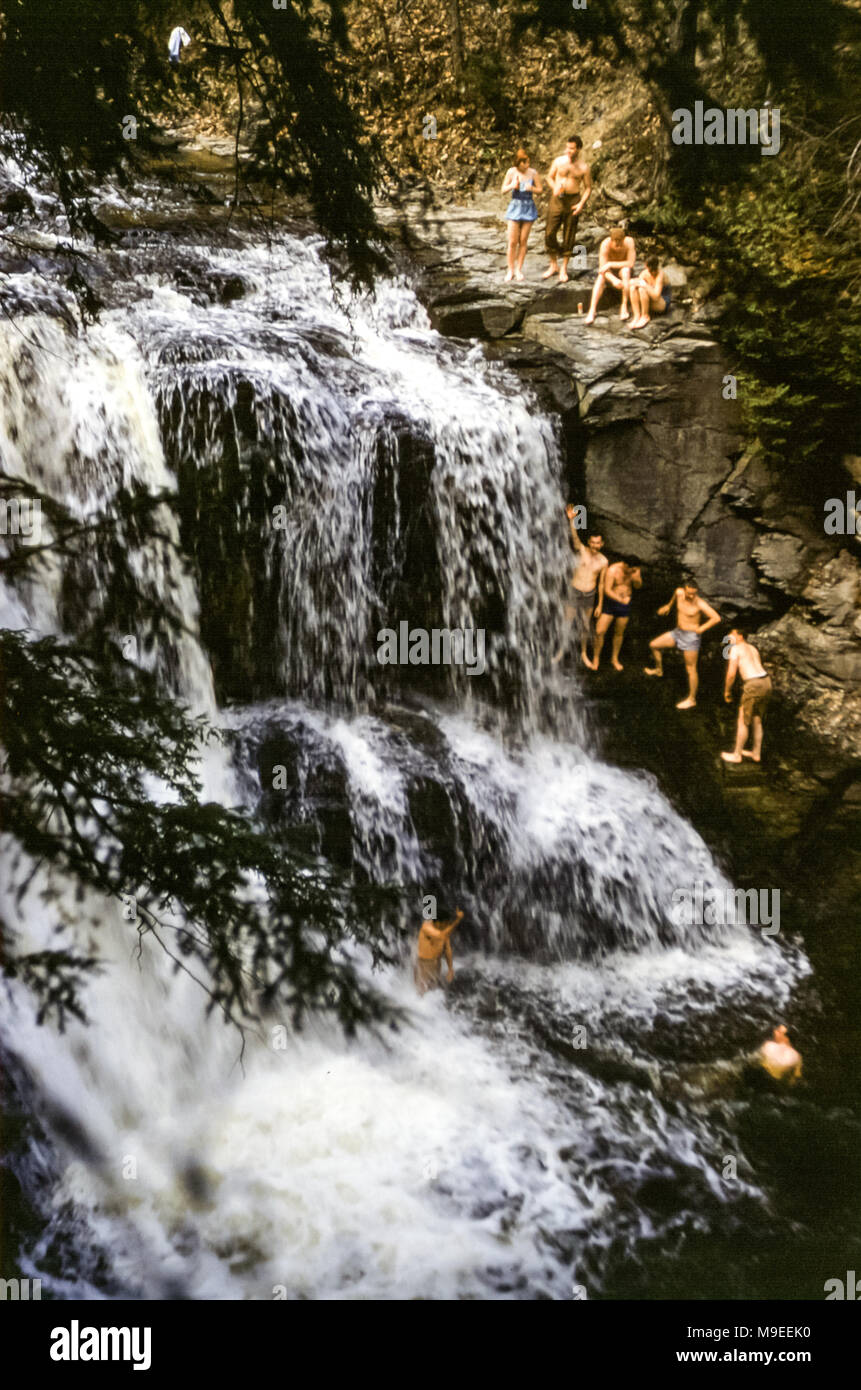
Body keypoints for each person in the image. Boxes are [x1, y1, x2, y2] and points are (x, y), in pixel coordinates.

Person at [644, 578, 721, 709]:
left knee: (691, 668)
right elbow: (675, 595)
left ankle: (692, 699)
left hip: (691, 637)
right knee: (654, 645)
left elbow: (716, 618)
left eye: (694, 593)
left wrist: (701, 628)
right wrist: (669, 605)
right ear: (684, 590)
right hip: (677, 633)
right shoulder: (679, 593)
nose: (691, 596)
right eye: (689, 593)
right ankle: (659, 670)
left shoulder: (700, 603)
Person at [552, 505, 608, 670]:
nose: (595, 546)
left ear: (602, 544)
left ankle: (584, 653)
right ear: (589, 542)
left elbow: (602, 584)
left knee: (584, 625)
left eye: (598, 543)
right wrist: (572, 520)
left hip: (589, 595)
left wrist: (600, 605)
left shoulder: (604, 561)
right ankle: (561, 651)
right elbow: (575, 538)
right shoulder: (582, 550)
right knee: (567, 622)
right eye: (592, 542)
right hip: (574, 592)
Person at [543, 136, 592, 283]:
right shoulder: (559, 161)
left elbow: (588, 188)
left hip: (573, 200)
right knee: (549, 232)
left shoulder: (584, 167)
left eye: (572, 148)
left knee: (569, 234)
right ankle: (553, 264)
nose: (569, 151)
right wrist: (555, 187)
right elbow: (549, 177)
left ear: (578, 149)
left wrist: (581, 203)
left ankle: (563, 267)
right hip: (557, 199)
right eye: (567, 148)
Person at [721, 629, 772, 763]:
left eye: (731, 634)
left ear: (740, 636)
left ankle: (737, 755)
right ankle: (756, 753)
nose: (728, 637)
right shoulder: (753, 648)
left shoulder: (736, 649)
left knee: (743, 720)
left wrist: (727, 691)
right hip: (766, 682)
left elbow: (731, 674)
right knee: (757, 718)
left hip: (753, 684)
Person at [593, 556, 643, 670]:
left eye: (635, 570)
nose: (633, 572)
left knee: (619, 632)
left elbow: (638, 586)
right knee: (599, 631)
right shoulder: (613, 570)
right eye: (632, 570)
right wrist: (620, 600)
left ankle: (614, 659)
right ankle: (596, 658)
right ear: (625, 565)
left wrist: (637, 579)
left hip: (625, 603)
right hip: (611, 602)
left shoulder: (635, 570)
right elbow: (607, 590)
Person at [501, 151, 542, 282]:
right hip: (515, 206)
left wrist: (532, 189)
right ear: (518, 163)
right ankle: (510, 269)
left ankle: (519, 269)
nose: (527, 165)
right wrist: (512, 185)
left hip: (528, 206)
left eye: (528, 162)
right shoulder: (511, 172)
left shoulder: (533, 173)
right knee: (512, 241)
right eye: (525, 163)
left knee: (523, 240)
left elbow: (540, 190)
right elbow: (503, 190)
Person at [584, 226, 637, 324]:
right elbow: (602, 269)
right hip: (610, 272)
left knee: (625, 271)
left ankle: (624, 305)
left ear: (624, 240)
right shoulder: (605, 244)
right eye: (615, 242)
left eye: (620, 241)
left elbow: (630, 263)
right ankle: (592, 310)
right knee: (600, 278)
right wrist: (613, 280)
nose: (618, 244)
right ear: (611, 240)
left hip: (624, 269)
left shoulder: (629, 242)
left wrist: (610, 263)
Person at [414, 908, 463, 995]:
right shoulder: (426, 927)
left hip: (436, 963)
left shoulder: (443, 931)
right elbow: (440, 936)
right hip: (424, 964)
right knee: (422, 991)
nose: (447, 926)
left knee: (433, 988)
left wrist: (450, 968)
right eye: (446, 923)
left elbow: (447, 949)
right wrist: (457, 920)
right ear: (439, 922)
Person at [629, 256, 671, 329]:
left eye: (654, 270)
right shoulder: (644, 273)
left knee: (642, 289)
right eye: (650, 270)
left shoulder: (660, 275)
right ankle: (637, 316)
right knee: (633, 288)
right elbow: (633, 284)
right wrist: (634, 282)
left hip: (661, 303)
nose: (653, 273)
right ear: (646, 266)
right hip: (649, 300)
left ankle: (645, 316)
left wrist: (645, 285)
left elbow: (656, 297)